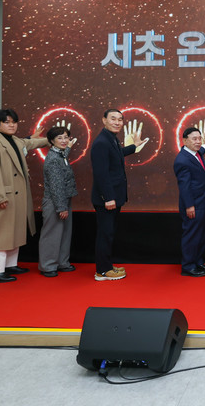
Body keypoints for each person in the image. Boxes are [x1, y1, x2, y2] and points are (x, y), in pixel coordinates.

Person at [0, 109, 48, 283]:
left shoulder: (15, 140)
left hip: (16, 195)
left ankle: (9, 265)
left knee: (14, 230)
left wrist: (52, 139)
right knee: (0, 233)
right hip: (5, 196)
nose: (11, 125)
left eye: (14, 122)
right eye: (7, 122)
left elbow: (31, 142)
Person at [90, 109, 148, 281]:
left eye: (120, 120)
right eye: (113, 119)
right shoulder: (101, 142)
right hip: (107, 199)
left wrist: (134, 147)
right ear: (104, 120)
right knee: (105, 234)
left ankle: (107, 266)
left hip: (113, 197)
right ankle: (102, 271)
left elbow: (116, 154)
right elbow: (101, 174)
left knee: (109, 233)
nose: (117, 122)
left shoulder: (110, 138)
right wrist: (108, 197)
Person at [173, 120, 205, 277]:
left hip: (203, 201)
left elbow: (202, 150)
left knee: (201, 234)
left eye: (199, 138)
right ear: (185, 140)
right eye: (194, 139)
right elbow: (184, 186)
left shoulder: (195, 153)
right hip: (193, 205)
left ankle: (198, 261)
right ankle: (188, 266)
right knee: (192, 235)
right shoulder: (182, 160)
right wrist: (189, 206)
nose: (198, 141)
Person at [39, 126, 78, 277]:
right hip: (55, 201)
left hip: (64, 199)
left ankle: (62, 263)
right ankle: (48, 266)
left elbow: (64, 154)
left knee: (64, 233)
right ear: (51, 141)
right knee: (52, 234)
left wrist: (68, 148)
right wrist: (61, 207)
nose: (64, 140)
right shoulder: (54, 159)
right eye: (59, 138)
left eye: (66, 137)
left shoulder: (61, 154)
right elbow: (56, 186)